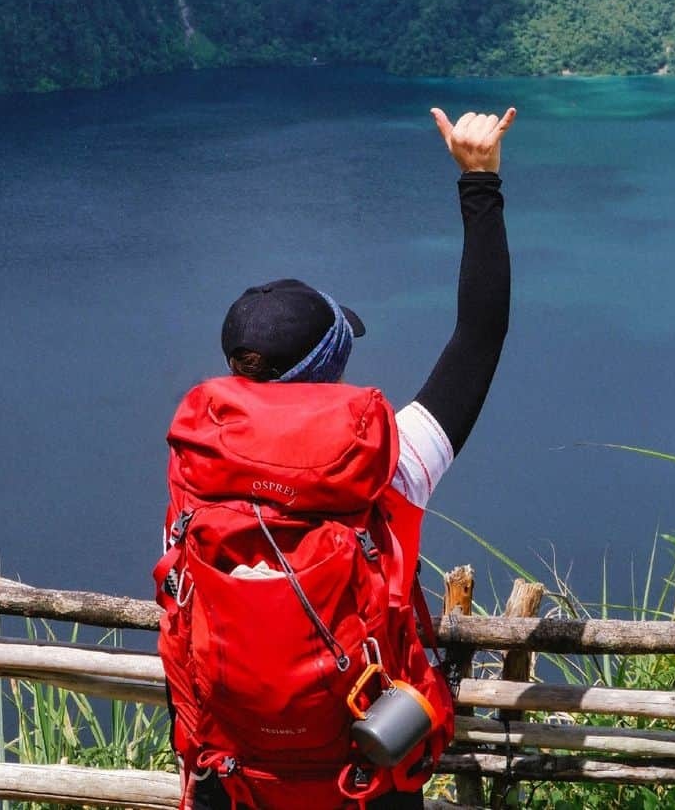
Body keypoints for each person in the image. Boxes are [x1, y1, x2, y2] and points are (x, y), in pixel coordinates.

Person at [170, 105, 515, 810]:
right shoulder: (392, 458)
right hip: (364, 772)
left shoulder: (197, 465)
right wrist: (479, 181)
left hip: (232, 775)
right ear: (332, 367)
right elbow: (479, 336)